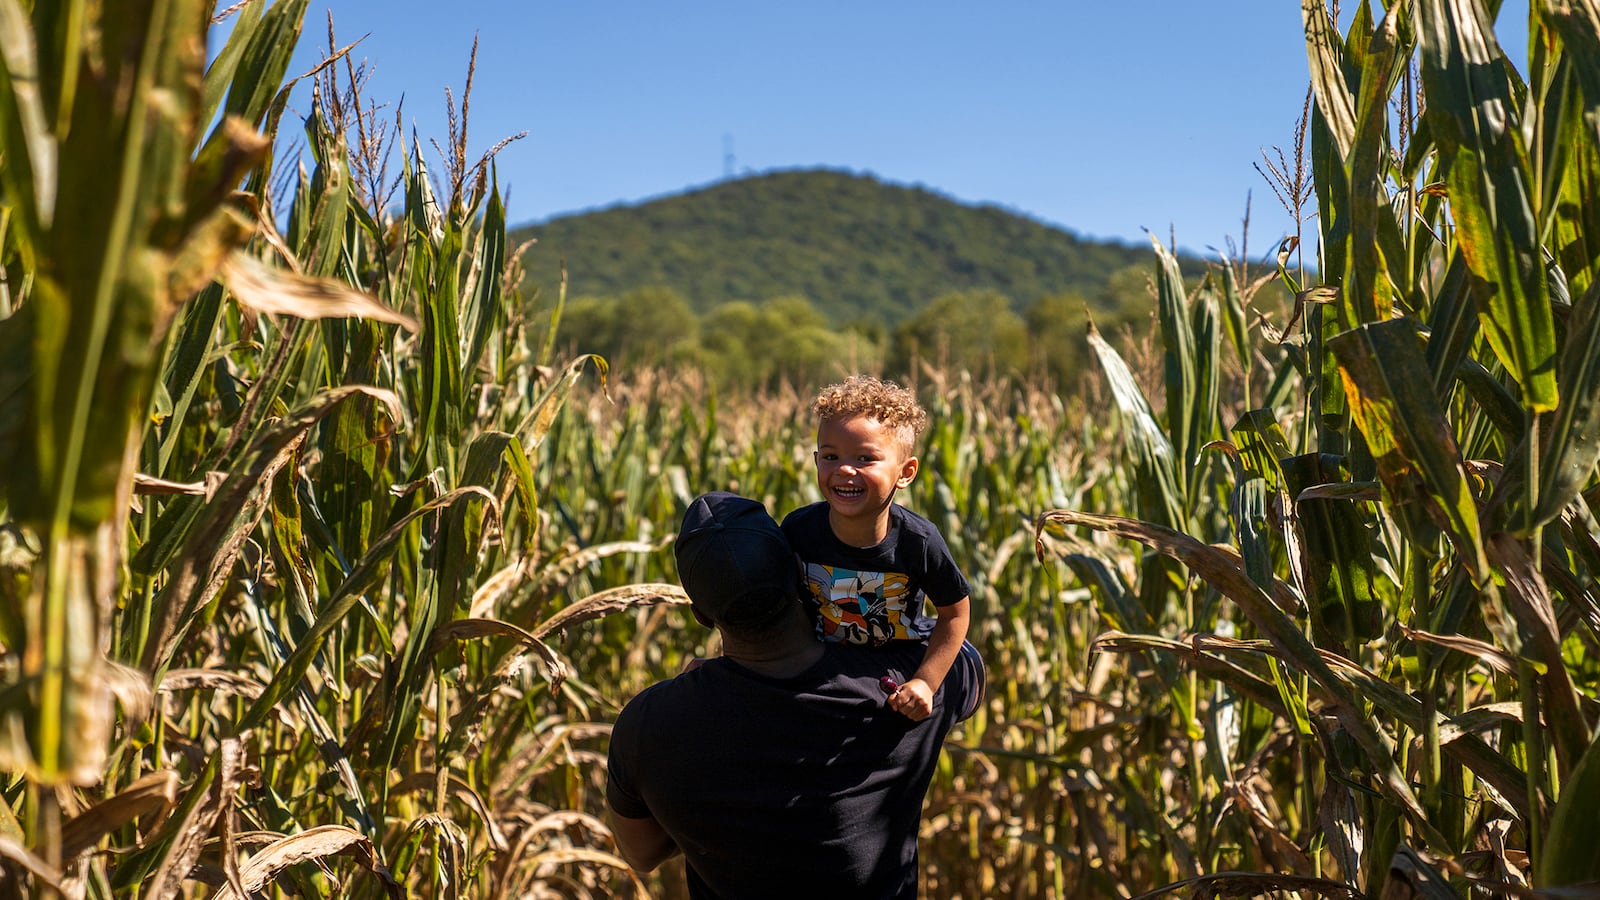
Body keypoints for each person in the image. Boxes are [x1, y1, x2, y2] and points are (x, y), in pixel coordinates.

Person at [606, 492, 984, 899]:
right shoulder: (903, 693)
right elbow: (967, 662)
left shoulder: (649, 724)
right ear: (802, 577)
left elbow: (640, 854)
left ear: (700, 613)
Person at [782, 375, 971, 722]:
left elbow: (955, 613)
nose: (844, 469)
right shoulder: (798, 530)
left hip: (896, 664)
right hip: (824, 658)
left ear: (906, 472)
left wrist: (926, 683)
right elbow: (771, 603)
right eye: (831, 456)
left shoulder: (919, 541)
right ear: (815, 460)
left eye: (866, 458)